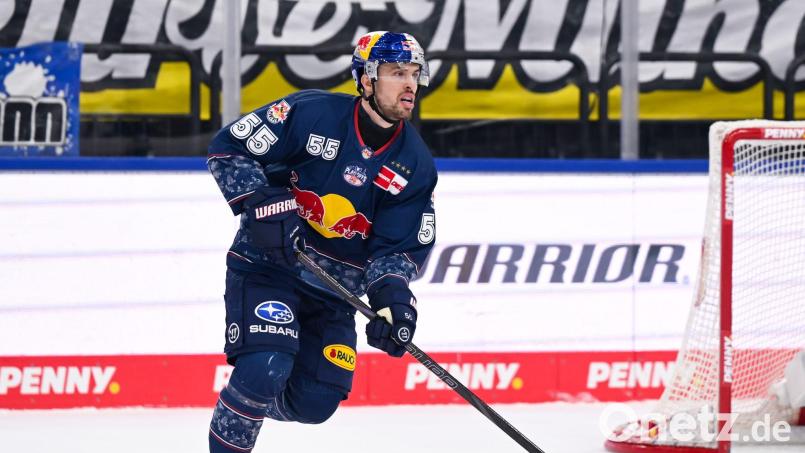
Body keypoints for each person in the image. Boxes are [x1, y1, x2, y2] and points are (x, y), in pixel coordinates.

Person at [206, 31, 437, 452]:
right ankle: (251, 388)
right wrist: (262, 202)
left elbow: (396, 250)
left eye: (414, 74)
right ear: (366, 80)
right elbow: (230, 148)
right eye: (396, 72)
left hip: (333, 295)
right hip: (269, 267)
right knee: (266, 365)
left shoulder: (415, 165)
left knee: (315, 401)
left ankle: (247, 396)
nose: (410, 84)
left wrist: (394, 301)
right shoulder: (311, 113)